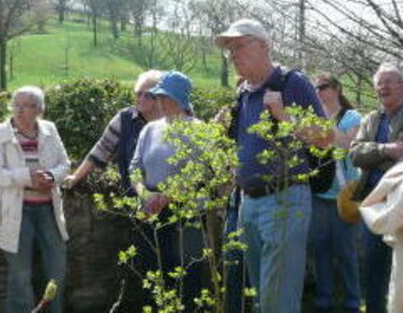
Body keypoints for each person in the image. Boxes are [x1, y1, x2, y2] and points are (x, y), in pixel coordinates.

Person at [215, 19, 327, 313]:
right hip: (247, 203)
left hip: (284, 197)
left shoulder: (293, 82)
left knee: (278, 299)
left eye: (239, 46)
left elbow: (325, 137)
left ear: (264, 45)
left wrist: (283, 115)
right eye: (230, 50)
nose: (233, 55)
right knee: (262, 298)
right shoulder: (243, 92)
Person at [0, 86, 70, 313]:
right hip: (16, 211)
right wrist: (27, 178)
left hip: (49, 210)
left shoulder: (49, 129)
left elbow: (65, 165)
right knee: (20, 274)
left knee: (57, 268)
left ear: (39, 110)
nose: (19, 110)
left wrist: (51, 176)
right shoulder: (0, 133)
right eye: (16, 104)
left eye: (27, 105)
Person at [129, 71, 204, 312]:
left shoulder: (198, 129)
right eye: (158, 96)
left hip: (187, 212)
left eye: (164, 96)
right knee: (154, 273)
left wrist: (168, 196)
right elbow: (135, 167)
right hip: (152, 209)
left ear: (178, 98)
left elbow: (200, 171)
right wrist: (144, 194)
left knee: (187, 275)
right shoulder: (150, 130)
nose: (160, 101)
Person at [349, 63, 403, 313]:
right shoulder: (370, 118)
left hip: (401, 201)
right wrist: (384, 149)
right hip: (372, 203)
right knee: (372, 265)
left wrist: (377, 151)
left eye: (390, 82)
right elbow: (355, 154)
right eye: (380, 83)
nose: (383, 87)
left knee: (401, 266)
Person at [311, 73, 362, 313]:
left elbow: (347, 146)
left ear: (337, 88)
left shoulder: (352, 117)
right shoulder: (312, 117)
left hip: (344, 194)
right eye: (315, 88)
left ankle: (352, 299)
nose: (318, 91)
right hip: (320, 193)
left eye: (323, 86)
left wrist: (325, 124)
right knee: (321, 247)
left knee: (346, 250)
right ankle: (324, 297)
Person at [64, 70, 162, 192]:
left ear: (160, 97)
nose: (140, 99)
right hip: (132, 197)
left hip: (168, 198)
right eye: (138, 94)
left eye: (147, 95)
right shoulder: (124, 118)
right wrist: (75, 177)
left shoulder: (172, 122)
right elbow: (101, 150)